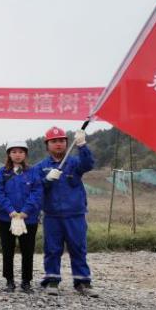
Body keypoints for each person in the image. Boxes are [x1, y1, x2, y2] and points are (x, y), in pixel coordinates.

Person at [34, 126, 98, 297]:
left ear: (67, 143)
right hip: (52, 215)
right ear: (47, 145)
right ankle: (52, 280)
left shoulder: (74, 163)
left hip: (75, 214)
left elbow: (88, 164)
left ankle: (82, 282)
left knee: (78, 248)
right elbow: (36, 189)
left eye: (62, 141)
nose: (58, 144)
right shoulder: (40, 167)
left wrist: (82, 145)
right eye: (54, 141)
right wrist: (46, 180)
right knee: (52, 249)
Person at [0, 140, 43, 293]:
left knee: (27, 251)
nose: (17, 155)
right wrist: (10, 211)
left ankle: (26, 282)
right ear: (9, 154)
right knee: (8, 250)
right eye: (14, 152)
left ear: (25, 154)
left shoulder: (33, 172)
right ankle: (9, 281)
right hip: (7, 218)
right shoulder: (1, 173)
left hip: (29, 219)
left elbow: (37, 192)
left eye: (21, 152)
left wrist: (25, 211)